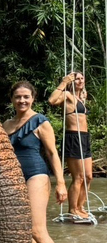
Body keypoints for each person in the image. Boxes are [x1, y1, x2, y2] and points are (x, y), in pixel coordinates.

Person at [4, 81, 67, 243]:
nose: (22, 100)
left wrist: (60, 183)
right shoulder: (6, 124)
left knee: (37, 230)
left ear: (33, 98)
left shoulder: (40, 121)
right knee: (21, 229)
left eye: (26, 97)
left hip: (36, 175)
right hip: (14, 178)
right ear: (12, 99)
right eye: (17, 97)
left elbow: (52, 153)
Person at [49, 71, 92, 219]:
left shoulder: (82, 98)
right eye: (76, 79)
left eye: (81, 78)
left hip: (85, 137)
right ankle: (73, 209)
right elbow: (52, 100)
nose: (79, 81)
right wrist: (64, 82)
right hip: (73, 137)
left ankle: (80, 207)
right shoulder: (67, 96)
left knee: (88, 176)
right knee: (78, 177)